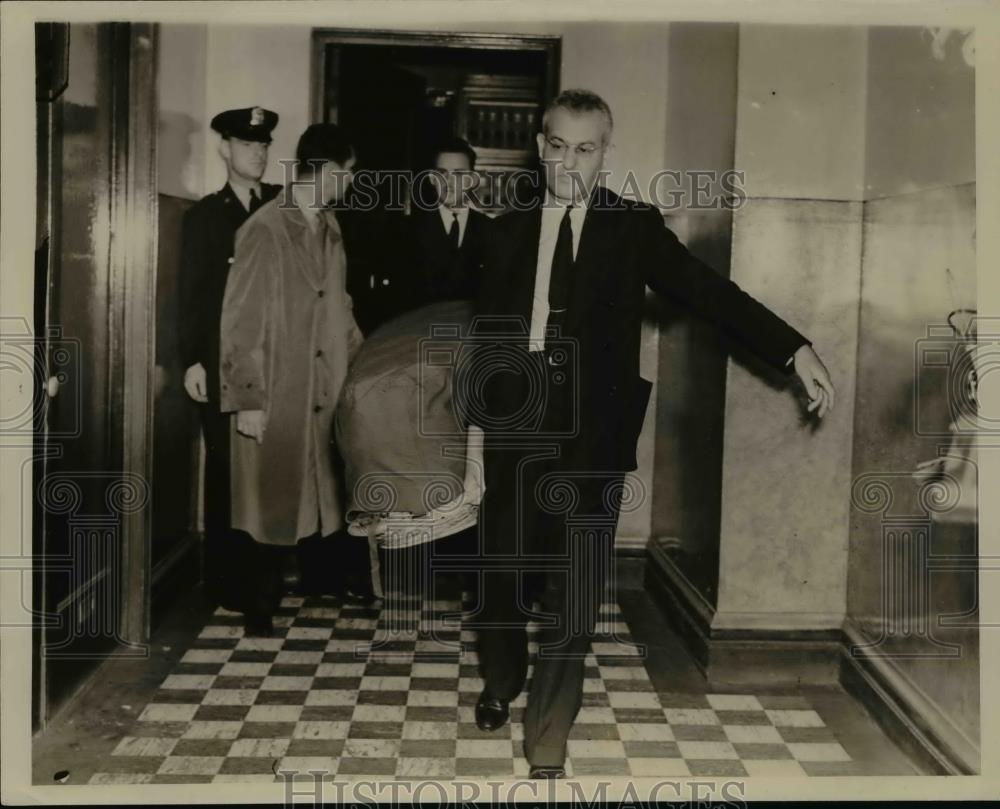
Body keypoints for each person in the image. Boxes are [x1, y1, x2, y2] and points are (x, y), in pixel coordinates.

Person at [464, 89, 836, 779]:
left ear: (605, 153)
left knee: (575, 587)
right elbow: (480, 340)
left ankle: (548, 731)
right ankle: (501, 676)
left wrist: (794, 348)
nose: (569, 161)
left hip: (594, 431)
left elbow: (707, 291)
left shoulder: (631, 227)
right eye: (557, 145)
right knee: (503, 576)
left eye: (586, 148)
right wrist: (472, 444)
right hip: (515, 423)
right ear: (539, 146)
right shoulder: (504, 227)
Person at [218, 123, 372, 636]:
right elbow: (240, 320)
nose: (350, 184)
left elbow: (340, 307)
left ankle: (313, 582)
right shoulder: (265, 229)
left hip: (323, 386)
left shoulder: (330, 227)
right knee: (268, 498)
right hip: (277, 388)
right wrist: (248, 400)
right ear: (327, 172)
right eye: (347, 175)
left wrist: (364, 361)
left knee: (314, 493)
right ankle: (257, 607)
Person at [178, 105, 281, 610]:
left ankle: (267, 578)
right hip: (221, 362)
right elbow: (193, 295)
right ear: (225, 148)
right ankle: (227, 582)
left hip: (274, 361)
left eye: (263, 145)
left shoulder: (282, 207)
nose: (257, 153)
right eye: (246, 144)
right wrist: (193, 361)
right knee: (225, 470)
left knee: (269, 467)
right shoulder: (204, 216)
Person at [408, 136, 488, 305]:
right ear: (431, 178)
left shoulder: (490, 231)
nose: (449, 182)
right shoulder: (408, 229)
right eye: (442, 173)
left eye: (458, 173)